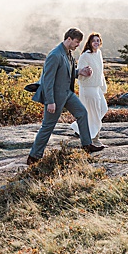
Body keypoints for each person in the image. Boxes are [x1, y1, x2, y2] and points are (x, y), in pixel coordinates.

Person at [28, 28, 101, 164]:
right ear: (69, 39)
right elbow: (47, 81)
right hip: (55, 97)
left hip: (67, 94)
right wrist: (50, 101)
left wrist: (80, 72)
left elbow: (66, 72)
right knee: (48, 126)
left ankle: (87, 144)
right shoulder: (55, 55)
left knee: (82, 113)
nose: (78, 45)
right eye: (76, 42)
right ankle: (34, 157)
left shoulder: (68, 53)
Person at [77, 33, 109, 139]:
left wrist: (103, 86)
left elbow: (100, 72)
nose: (96, 42)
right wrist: (85, 73)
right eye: (94, 40)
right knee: (94, 114)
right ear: (90, 43)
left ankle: (78, 128)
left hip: (97, 86)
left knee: (103, 108)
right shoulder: (85, 55)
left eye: (98, 40)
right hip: (88, 87)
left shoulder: (98, 53)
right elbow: (79, 73)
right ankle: (91, 137)